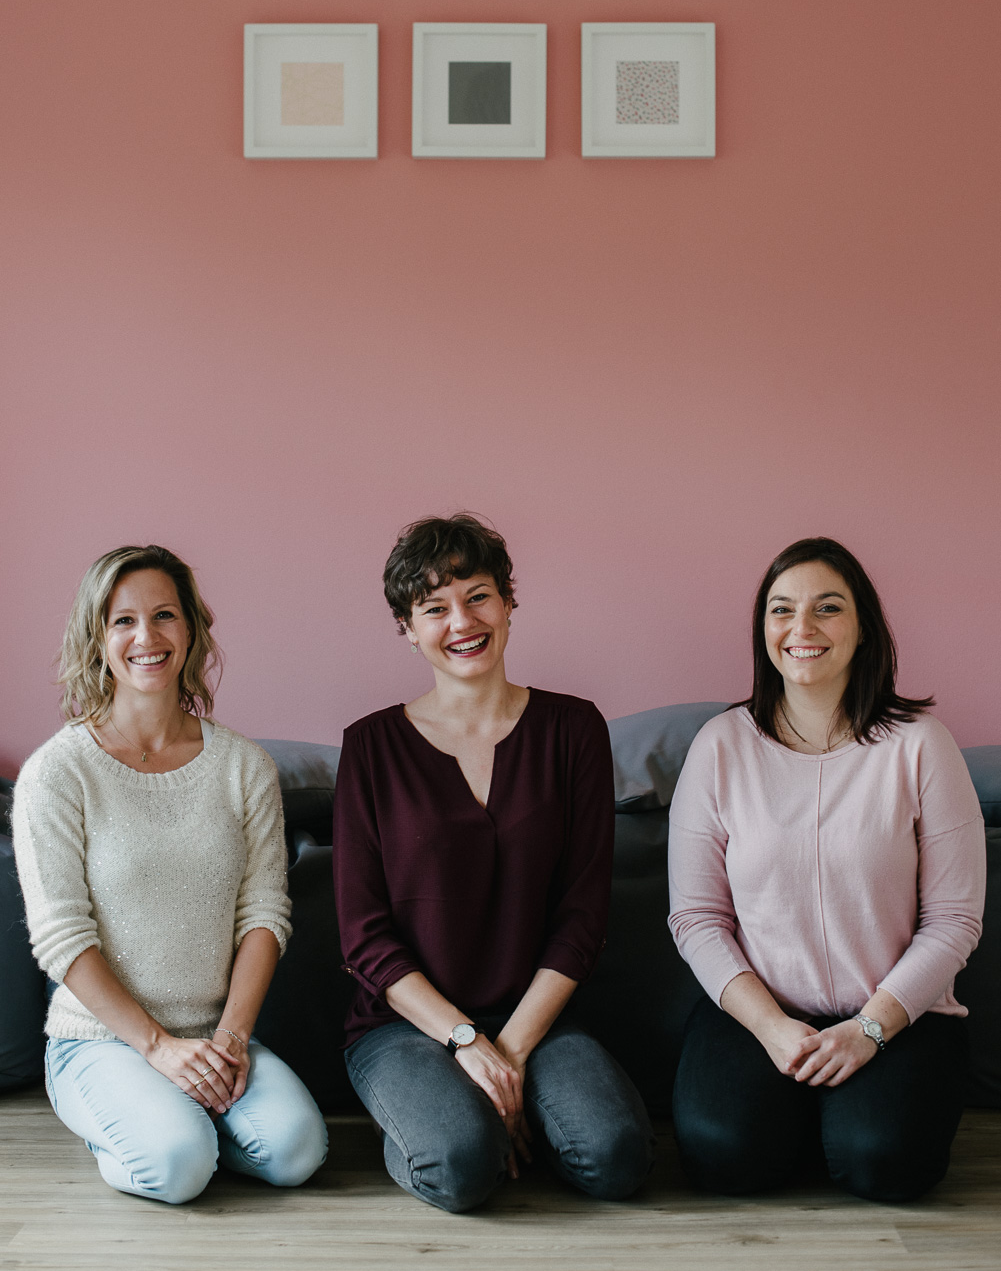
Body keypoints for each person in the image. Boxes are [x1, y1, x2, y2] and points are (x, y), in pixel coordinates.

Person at [333, 513, 654, 1213]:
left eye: (477, 596)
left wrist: (504, 1056)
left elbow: (581, 917)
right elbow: (363, 936)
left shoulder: (573, 729)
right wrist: (462, 1041)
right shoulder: (370, 747)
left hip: (535, 1016)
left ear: (508, 602)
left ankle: (493, 1113)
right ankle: (438, 1123)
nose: (462, 622)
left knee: (617, 1158)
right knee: (460, 1167)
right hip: (405, 1025)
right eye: (434, 608)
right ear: (407, 628)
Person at [667, 536, 986, 1203]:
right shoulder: (720, 747)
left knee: (885, 1163)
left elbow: (954, 921)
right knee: (725, 1157)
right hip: (758, 1012)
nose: (802, 628)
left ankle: (839, 1121)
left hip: (896, 1015)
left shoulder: (921, 746)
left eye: (828, 608)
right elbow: (696, 918)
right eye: (781, 609)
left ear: (863, 627)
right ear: (763, 630)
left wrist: (868, 1030)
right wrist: (770, 1026)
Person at [13, 545, 327, 1204]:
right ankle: (139, 1124)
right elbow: (60, 936)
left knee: (297, 1152)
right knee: (178, 1168)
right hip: (99, 1039)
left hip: (215, 1034)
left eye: (164, 615)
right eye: (123, 621)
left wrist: (231, 1039)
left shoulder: (244, 766)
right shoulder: (58, 773)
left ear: (190, 628)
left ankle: (185, 1121)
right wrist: (155, 1048)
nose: (146, 637)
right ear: (96, 637)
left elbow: (264, 914)